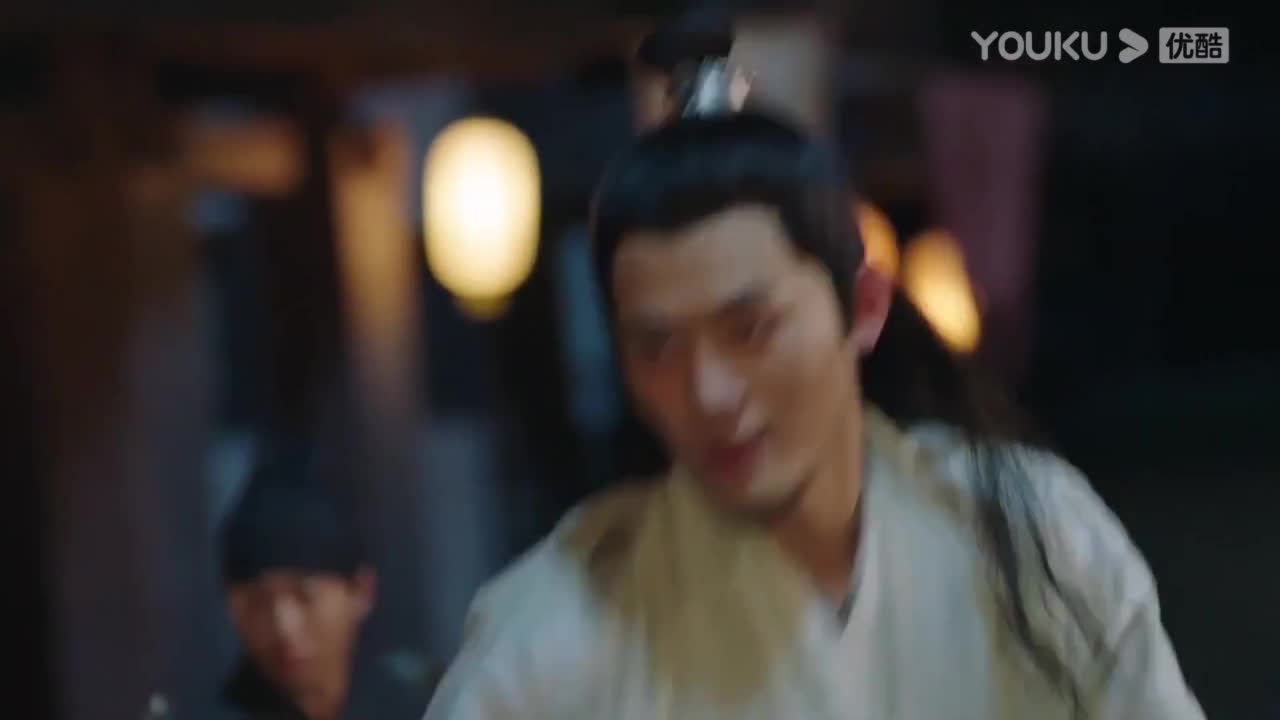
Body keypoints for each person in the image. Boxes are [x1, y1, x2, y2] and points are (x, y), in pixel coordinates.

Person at [423, 13, 1205, 720]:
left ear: (862, 306)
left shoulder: (1030, 532)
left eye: (751, 329)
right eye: (657, 346)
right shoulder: (560, 625)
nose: (709, 392)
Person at [220, 443, 440, 719]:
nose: (284, 625)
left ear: (362, 591)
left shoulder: (432, 708)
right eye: (258, 602)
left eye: (305, 597)